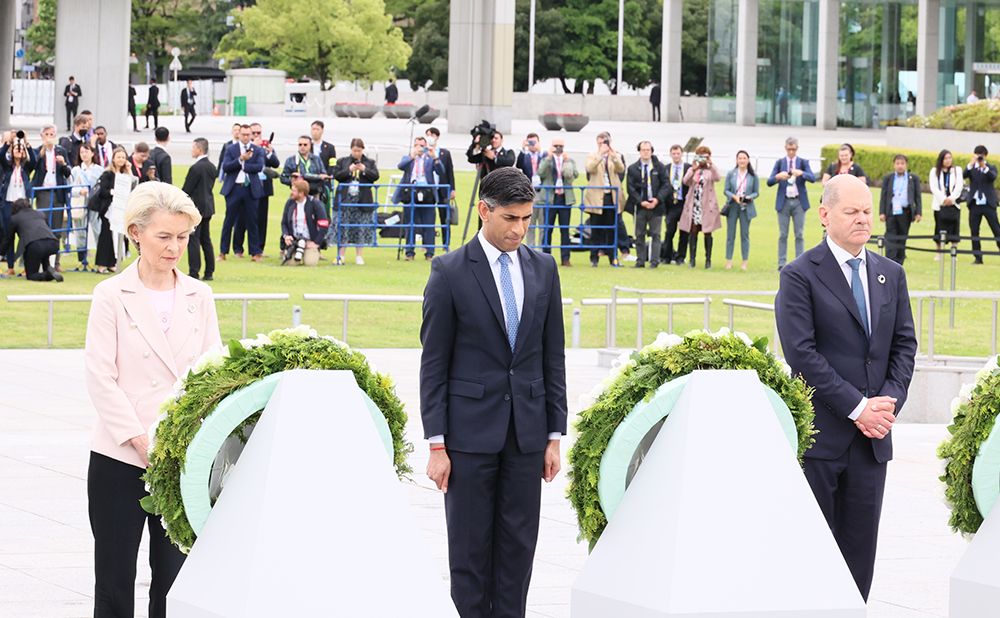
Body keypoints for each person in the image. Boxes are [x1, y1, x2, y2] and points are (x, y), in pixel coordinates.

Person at [420, 166, 567, 618]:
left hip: (528, 435)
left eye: (527, 218)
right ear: (484, 211)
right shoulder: (447, 271)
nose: (519, 229)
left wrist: (553, 436)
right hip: (467, 439)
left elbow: (552, 355)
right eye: (510, 218)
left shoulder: (543, 268)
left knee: (518, 550)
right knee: (468, 551)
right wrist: (437, 444)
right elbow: (434, 364)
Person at [775, 174, 917, 601]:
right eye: (851, 212)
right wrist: (858, 408)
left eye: (867, 211)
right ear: (824, 215)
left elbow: (904, 345)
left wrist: (886, 406)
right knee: (814, 554)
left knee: (860, 556)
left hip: (872, 443)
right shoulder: (799, 275)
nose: (862, 220)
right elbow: (802, 354)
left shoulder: (890, 274)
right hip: (824, 440)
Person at [84, 181, 221, 618]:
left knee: (174, 582)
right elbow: (101, 376)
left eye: (182, 237)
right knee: (114, 584)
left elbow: (212, 376)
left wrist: (190, 443)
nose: (175, 247)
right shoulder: (110, 295)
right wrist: (140, 440)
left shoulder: (201, 296)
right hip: (119, 460)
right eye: (164, 236)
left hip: (182, 463)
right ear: (135, 233)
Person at [768, 136, 816, 270]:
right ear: (785, 148)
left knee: (799, 234)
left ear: (797, 149)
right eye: (789, 149)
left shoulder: (803, 162)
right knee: (783, 234)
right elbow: (769, 181)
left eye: (793, 149)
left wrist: (802, 173)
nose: (791, 152)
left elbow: (813, 178)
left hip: (799, 202)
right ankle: (781, 263)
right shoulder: (780, 163)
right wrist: (778, 177)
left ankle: (799, 262)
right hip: (783, 202)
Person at [219, 124, 265, 262]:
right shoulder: (231, 149)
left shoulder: (257, 150)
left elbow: (259, 166)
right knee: (229, 221)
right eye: (243, 134)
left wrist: (245, 166)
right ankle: (223, 251)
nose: (245, 137)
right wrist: (240, 160)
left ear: (251, 135)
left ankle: (255, 252)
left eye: (247, 134)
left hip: (250, 188)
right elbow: (226, 166)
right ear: (238, 134)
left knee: (252, 221)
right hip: (234, 188)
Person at [332, 138, 379, 266]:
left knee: (360, 227)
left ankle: (359, 255)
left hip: (362, 198)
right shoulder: (342, 161)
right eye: (354, 150)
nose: (356, 153)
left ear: (363, 150)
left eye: (359, 150)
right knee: (343, 227)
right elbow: (336, 175)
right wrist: (349, 170)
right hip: (346, 198)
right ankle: (341, 255)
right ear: (351, 149)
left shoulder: (370, 162)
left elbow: (375, 176)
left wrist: (364, 169)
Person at [235, 122, 280, 254]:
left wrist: (268, 152)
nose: (256, 135)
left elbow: (275, 163)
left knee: (261, 219)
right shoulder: (246, 148)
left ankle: (259, 248)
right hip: (247, 186)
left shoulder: (265, 148)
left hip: (263, 187)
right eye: (253, 133)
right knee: (242, 218)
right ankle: (238, 248)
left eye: (258, 133)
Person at [397, 136, 444, 261]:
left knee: (429, 224)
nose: (419, 148)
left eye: (422, 145)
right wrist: (412, 156)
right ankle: (409, 252)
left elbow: (441, 171)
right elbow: (400, 166)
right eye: (417, 145)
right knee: (410, 224)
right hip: (411, 192)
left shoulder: (429, 159)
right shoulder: (408, 158)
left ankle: (429, 253)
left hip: (427, 193)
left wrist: (435, 157)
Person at [32, 124, 71, 270]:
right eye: (47, 134)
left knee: (57, 228)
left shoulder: (61, 151)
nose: (50, 137)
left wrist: (64, 163)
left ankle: (56, 262)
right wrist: (42, 151)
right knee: (44, 227)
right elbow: (33, 166)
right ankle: (43, 262)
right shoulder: (38, 152)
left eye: (53, 134)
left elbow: (68, 173)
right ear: (42, 136)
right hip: (44, 192)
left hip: (58, 192)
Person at [92, 147, 136, 274]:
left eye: (123, 157)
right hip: (108, 210)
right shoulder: (108, 174)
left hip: (121, 209)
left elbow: (134, 184)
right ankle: (101, 264)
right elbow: (102, 191)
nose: (121, 160)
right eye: (119, 157)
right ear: (113, 159)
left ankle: (112, 262)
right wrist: (114, 192)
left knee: (117, 237)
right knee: (106, 236)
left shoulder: (125, 174)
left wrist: (129, 170)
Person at [584, 131, 625, 267]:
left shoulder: (616, 155)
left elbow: (621, 169)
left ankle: (613, 257)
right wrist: (600, 156)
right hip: (596, 197)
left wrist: (613, 157)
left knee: (611, 229)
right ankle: (594, 257)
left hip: (611, 197)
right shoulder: (592, 155)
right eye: (600, 142)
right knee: (596, 229)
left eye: (605, 142)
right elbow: (590, 168)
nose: (603, 145)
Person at [626, 141, 668, 268]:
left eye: (648, 150)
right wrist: (640, 201)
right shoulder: (633, 168)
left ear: (652, 151)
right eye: (643, 150)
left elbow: (666, 185)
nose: (645, 152)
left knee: (656, 234)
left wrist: (657, 199)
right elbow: (630, 188)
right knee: (639, 234)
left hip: (656, 206)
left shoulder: (659, 167)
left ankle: (655, 261)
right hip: (640, 207)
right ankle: (640, 260)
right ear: (639, 151)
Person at [537, 137, 578, 267]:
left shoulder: (569, 160)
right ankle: (545, 257)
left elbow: (573, 175)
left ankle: (565, 258)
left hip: (564, 198)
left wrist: (566, 163)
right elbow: (540, 173)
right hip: (550, 198)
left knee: (564, 230)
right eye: (556, 146)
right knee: (547, 229)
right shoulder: (546, 160)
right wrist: (549, 157)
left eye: (561, 146)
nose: (558, 148)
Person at [680, 145, 722, 269]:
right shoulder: (694, 169)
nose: (703, 159)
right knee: (693, 231)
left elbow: (718, 177)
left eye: (705, 156)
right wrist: (693, 169)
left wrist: (711, 164)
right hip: (695, 205)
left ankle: (708, 260)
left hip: (707, 205)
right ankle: (692, 259)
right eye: (701, 156)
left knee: (707, 232)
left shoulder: (710, 170)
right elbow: (685, 181)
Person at [0, 198, 62, 281]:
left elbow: (8, 239)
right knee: (42, 251)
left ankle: (49, 274)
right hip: (53, 243)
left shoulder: (15, 219)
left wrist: (1, 254)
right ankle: (48, 270)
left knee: (31, 275)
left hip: (35, 245)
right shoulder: (40, 214)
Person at [1, 130, 36, 275]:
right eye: (16, 149)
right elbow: (1, 156)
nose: (18, 151)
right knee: (9, 236)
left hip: (23, 205)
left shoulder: (26, 168)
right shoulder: (7, 167)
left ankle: (27, 267)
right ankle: (10, 267)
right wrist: (8, 142)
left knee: (25, 236)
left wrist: (26, 144)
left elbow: (34, 161)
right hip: (8, 204)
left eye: (20, 150)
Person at [182, 138, 218, 281]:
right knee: (206, 239)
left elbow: (187, 189)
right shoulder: (211, 166)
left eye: (193, 148)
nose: (192, 150)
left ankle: (194, 272)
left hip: (196, 207)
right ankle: (209, 271)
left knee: (194, 240)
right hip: (208, 206)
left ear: (199, 149)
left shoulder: (196, 168)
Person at [878, 154, 923, 265]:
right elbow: (883, 196)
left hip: (905, 212)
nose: (900, 166)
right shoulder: (889, 178)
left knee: (902, 237)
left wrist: (918, 212)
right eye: (897, 163)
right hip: (891, 211)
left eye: (902, 163)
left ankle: (899, 260)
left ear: (906, 165)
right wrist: (882, 212)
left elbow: (918, 196)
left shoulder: (913, 178)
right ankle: (890, 259)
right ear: (894, 165)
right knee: (891, 235)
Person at [722, 150, 759, 271]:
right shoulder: (731, 174)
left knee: (745, 235)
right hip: (733, 206)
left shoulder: (753, 176)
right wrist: (734, 197)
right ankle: (729, 260)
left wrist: (749, 198)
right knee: (730, 235)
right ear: (737, 160)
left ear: (748, 160)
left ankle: (744, 262)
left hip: (746, 207)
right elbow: (726, 190)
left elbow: (756, 192)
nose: (742, 160)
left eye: (744, 158)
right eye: (740, 158)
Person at [70, 143, 104, 270]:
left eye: (86, 151)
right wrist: (79, 191)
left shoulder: (99, 170)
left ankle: (100, 259)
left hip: (95, 204)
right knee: (79, 231)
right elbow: (70, 189)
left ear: (92, 153)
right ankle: (82, 259)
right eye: (82, 152)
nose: (84, 154)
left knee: (97, 229)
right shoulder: (76, 170)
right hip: (80, 203)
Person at [280, 178, 329, 266]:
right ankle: (293, 253)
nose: (291, 193)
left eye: (294, 191)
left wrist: (316, 243)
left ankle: (311, 253)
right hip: (295, 241)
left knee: (310, 263)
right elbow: (284, 223)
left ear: (301, 193)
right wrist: (286, 235)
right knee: (291, 264)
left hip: (310, 241)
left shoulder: (315, 204)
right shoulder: (290, 203)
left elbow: (324, 225)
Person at [966, 144, 1000, 264]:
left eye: (981, 156)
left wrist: (983, 166)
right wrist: (971, 164)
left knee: (996, 229)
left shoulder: (991, 167)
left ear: (985, 156)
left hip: (988, 203)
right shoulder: (972, 168)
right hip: (975, 204)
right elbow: (964, 175)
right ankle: (977, 257)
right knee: (974, 231)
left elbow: (992, 177)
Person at [929, 149, 964, 259]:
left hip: (954, 204)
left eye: (950, 158)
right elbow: (933, 187)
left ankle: (953, 252)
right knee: (939, 228)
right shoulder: (935, 171)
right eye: (945, 158)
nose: (948, 160)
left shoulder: (957, 170)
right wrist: (943, 199)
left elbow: (959, 186)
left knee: (955, 228)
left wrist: (951, 198)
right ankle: (939, 252)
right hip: (940, 205)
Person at [426, 127, 456, 248]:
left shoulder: (445, 153)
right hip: (429, 189)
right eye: (428, 135)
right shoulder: (424, 152)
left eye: (432, 135)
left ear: (437, 137)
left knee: (444, 217)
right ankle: (427, 242)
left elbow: (450, 172)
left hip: (442, 188)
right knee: (428, 217)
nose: (430, 137)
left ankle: (445, 242)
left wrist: (452, 188)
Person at [661, 144, 691, 265]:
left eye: (678, 153)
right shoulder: (666, 168)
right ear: (670, 154)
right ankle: (667, 256)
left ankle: (680, 257)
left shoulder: (688, 168)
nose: (676, 156)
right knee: (669, 231)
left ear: (682, 154)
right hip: (671, 204)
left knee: (684, 232)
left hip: (684, 203)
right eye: (674, 154)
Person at [516, 133, 547, 246]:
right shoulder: (525, 155)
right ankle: (531, 248)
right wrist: (523, 149)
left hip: (542, 192)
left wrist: (540, 151)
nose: (532, 145)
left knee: (543, 224)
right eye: (530, 142)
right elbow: (519, 165)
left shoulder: (544, 155)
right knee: (530, 224)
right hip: (530, 193)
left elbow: (549, 167)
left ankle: (541, 249)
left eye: (534, 142)